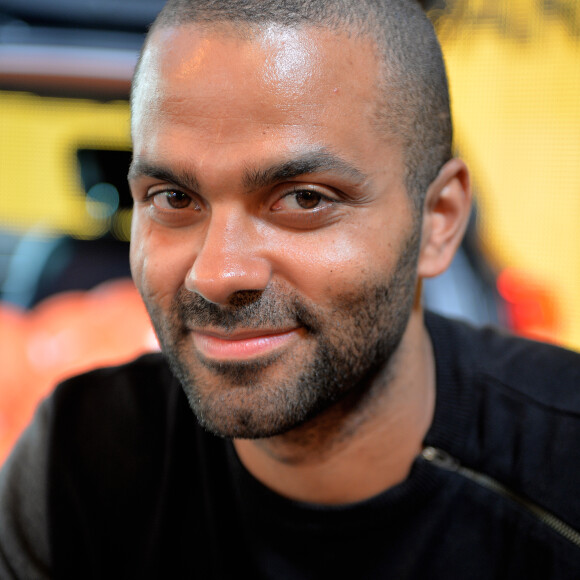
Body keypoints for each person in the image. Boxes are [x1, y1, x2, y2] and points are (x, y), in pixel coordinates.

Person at [1, 0, 580, 578]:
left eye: (304, 198)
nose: (218, 274)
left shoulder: (560, 463)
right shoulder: (81, 458)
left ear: (438, 220)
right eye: (174, 198)